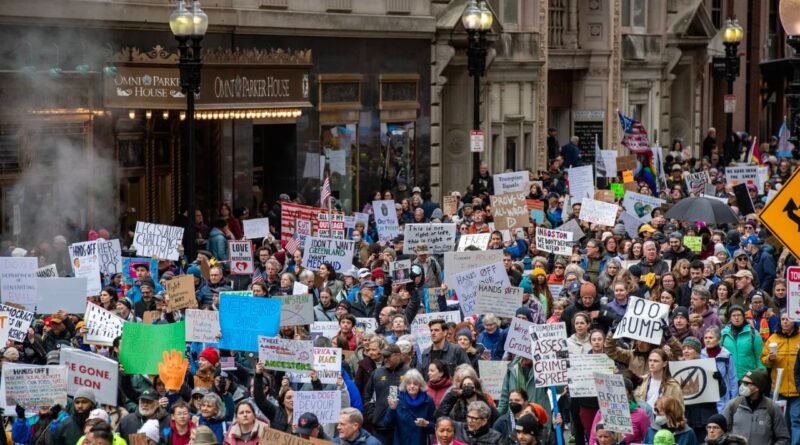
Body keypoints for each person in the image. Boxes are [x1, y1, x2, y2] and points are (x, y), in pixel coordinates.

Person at [722, 368, 790, 445]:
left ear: (758, 387)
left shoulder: (772, 408)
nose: (742, 386)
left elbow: (783, 438)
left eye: (747, 383)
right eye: (742, 382)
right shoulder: (733, 405)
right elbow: (721, 432)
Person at [764, 311, 800, 444]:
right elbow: (763, 360)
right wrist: (769, 359)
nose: (785, 322)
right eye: (783, 319)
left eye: (788, 319)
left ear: (794, 321)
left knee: (796, 420)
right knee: (782, 420)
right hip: (779, 388)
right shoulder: (773, 339)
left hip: (797, 388)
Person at [364, 344, 409, 444]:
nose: (385, 359)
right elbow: (368, 395)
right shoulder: (377, 373)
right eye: (384, 356)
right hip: (380, 426)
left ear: (398, 355)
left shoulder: (409, 373)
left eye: (388, 356)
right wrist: (372, 415)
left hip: (402, 427)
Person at [383, 369, 436, 445]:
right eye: (409, 383)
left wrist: (426, 424)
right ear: (405, 385)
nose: (412, 386)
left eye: (415, 383)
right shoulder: (398, 400)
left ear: (420, 385)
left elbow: (435, 427)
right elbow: (387, 425)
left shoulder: (428, 400)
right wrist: (392, 409)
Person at [721, 305, 765, 379]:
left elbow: (760, 356)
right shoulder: (724, 334)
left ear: (743, 317)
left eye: (739, 315)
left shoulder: (753, 333)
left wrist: (760, 375)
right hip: (729, 377)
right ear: (730, 318)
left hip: (749, 377)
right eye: (733, 315)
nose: (736, 318)